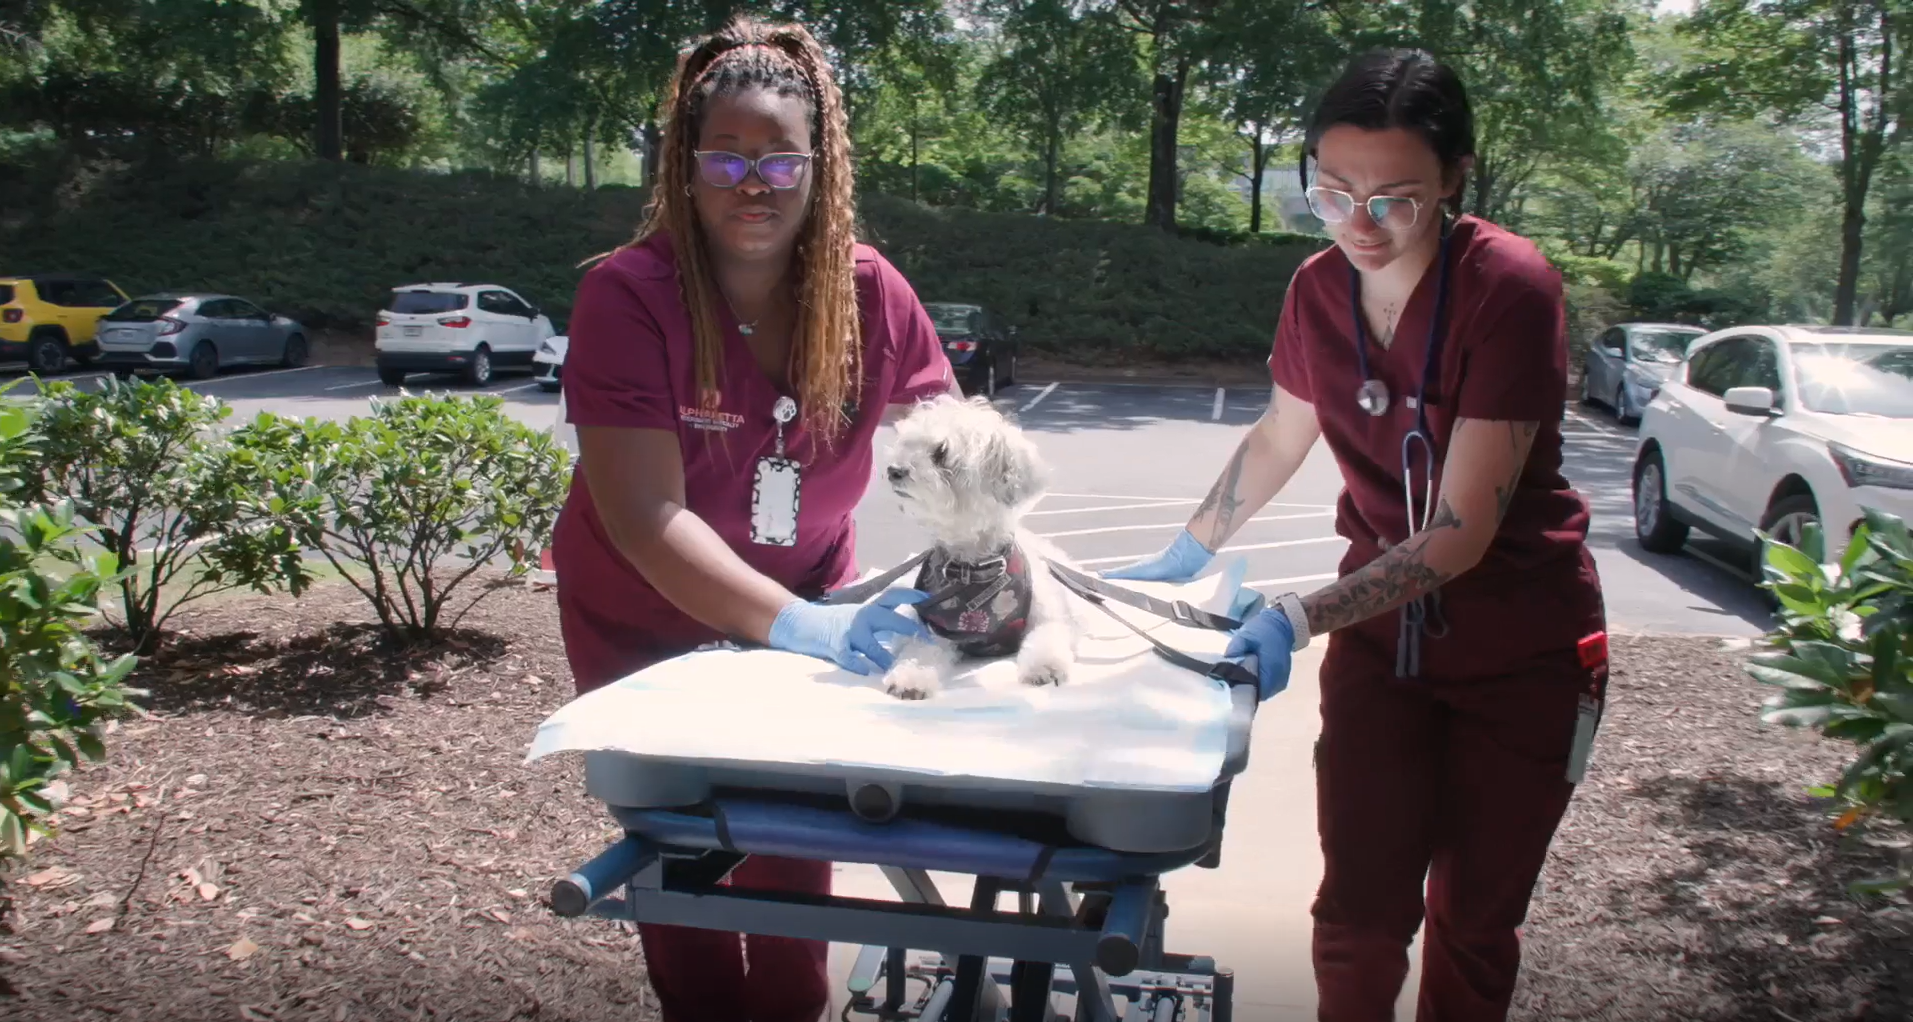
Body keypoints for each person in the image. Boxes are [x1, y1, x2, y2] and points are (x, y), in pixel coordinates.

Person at [1104, 49, 1609, 1022]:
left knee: (1470, 919)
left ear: (1455, 176)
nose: (1360, 227)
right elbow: (1280, 432)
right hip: (1385, 656)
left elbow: (1456, 536)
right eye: (1332, 195)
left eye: (1395, 200)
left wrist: (1298, 615)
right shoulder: (1313, 288)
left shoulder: (1510, 289)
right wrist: (1186, 550)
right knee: (1354, 918)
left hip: (1522, 654)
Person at [551, 15, 958, 1022]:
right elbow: (646, 518)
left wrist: (983, 533)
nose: (752, 183)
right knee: (680, 850)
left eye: (779, 158)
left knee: (794, 845)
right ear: (683, 169)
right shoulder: (625, 295)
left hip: (808, 600)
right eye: (724, 156)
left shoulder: (869, 292)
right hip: (639, 622)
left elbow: (940, 440)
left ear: (818, 167)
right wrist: (800, 623)